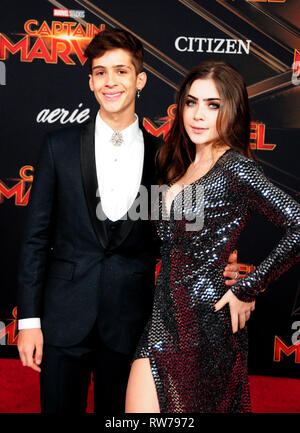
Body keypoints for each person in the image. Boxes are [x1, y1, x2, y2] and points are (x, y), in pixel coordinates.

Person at [16, 31, 240, 414]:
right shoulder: (59, 147)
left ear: (140, 79)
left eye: (121, 71)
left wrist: (223, 266)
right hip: (63, 318)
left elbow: (180, 237)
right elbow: (35, 239)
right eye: (100, 72)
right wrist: (29, 321)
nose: (110, 81)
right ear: (90, 82)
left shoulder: (166, 159)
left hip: (131, 323)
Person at [125, 59, 300, 413]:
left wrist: (248, 287)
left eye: (213, 104)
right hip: (163, 320)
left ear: (232, 110)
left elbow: (298, 223)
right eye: (191, 102)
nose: (198, 115)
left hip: (208, 326)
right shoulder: (182, 164)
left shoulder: (236, 167)